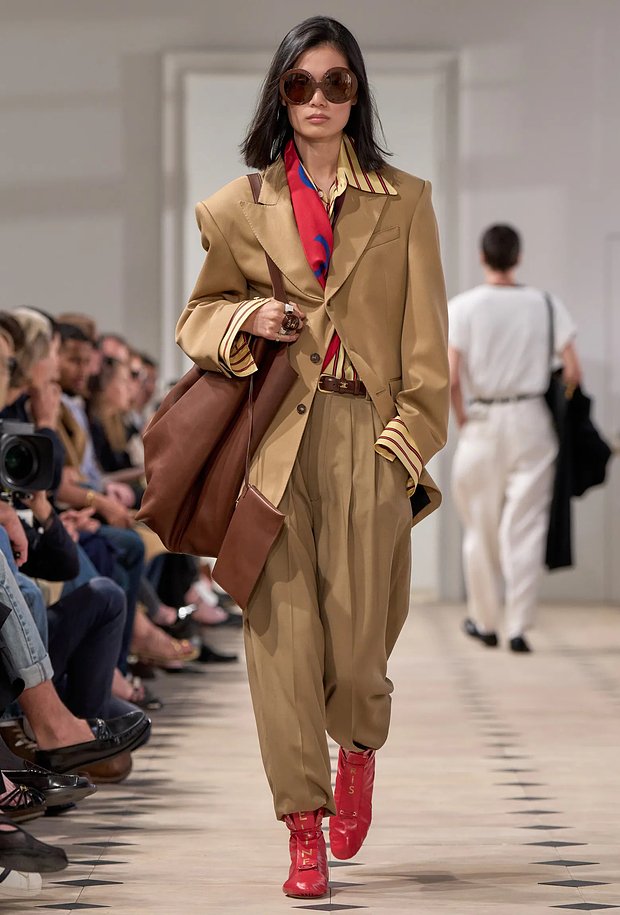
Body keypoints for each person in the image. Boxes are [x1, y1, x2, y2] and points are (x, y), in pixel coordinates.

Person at [175, 16, 448, 899]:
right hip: (274, 445)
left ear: (356, 93)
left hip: (368, 437)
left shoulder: (404, 201)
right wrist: (244, 317)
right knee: (280, 639)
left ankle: (358, 746)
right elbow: (195, 319)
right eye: (301, 84)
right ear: (281, 95)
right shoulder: (237, 205)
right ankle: (302, 827)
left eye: (336, 83)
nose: (319, 99)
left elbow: (427, 343)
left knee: (361, 646)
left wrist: (406, 445)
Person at [448, 224, 582, 654]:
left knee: (479, 527)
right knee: (525, 527)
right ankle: (519, 627)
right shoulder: (545, 304)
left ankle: (485, 622)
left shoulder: (462, 307)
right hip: (531, 420)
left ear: (482, 257)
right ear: (518, 257)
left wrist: (463, 419)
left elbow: (452, 377)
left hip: (482, 420)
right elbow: (573, 371)